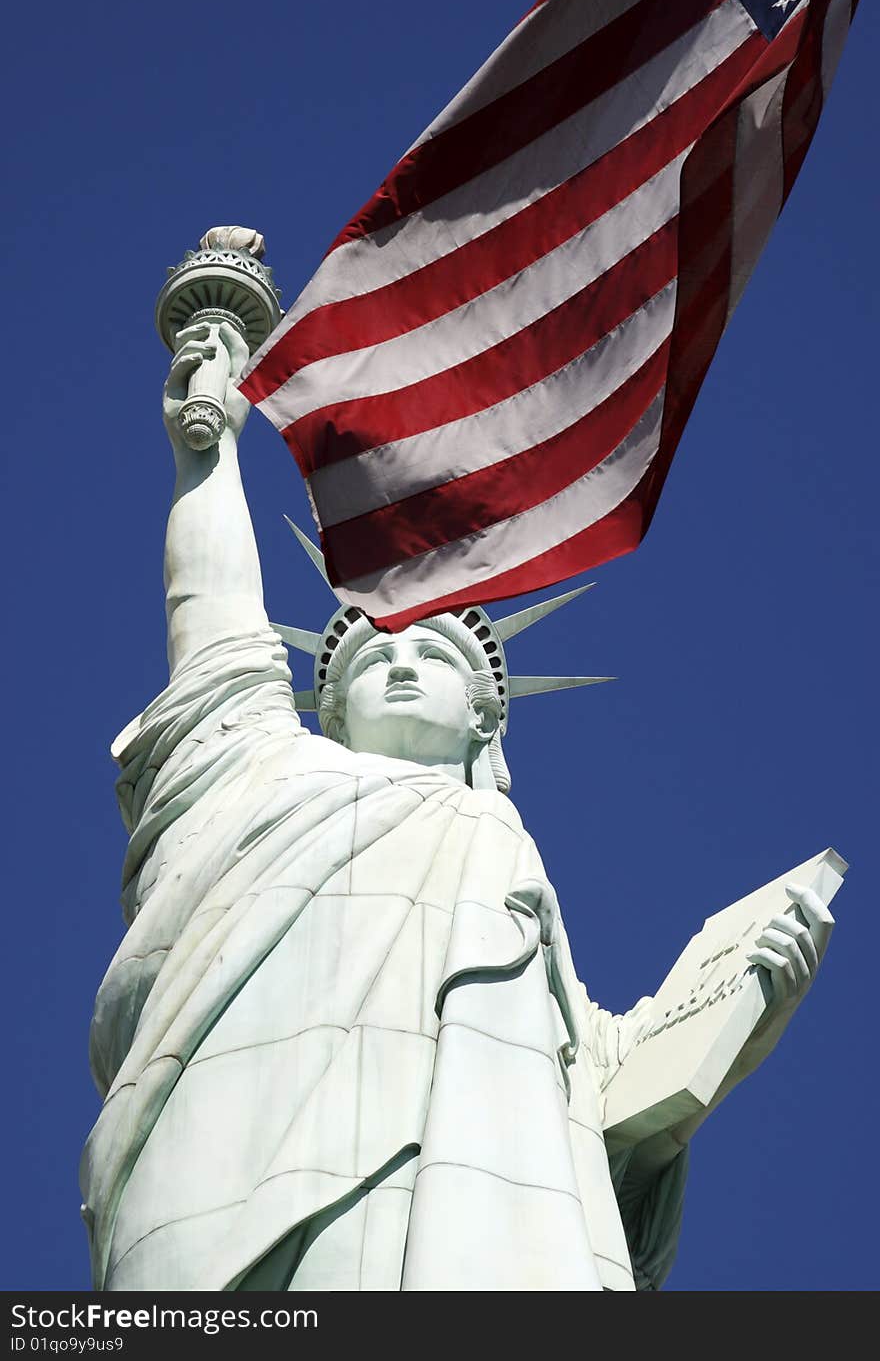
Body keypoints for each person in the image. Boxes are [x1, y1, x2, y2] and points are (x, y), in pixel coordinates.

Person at [80, 321, 834, 1292]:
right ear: (331, 702)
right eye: (372, 657)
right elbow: (213, 618)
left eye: (429, 657)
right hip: (237, 1172)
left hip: (473, 1212)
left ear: (484, 721)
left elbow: (590, 1096)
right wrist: (209, 454)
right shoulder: (263, 773)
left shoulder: (492, 845)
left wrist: (735, 1018)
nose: (398, 666)